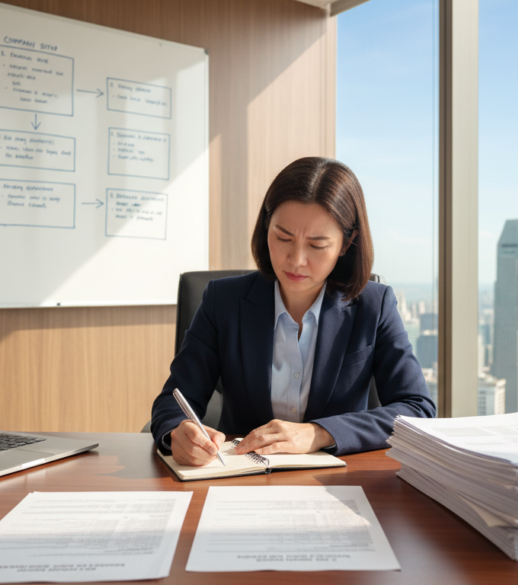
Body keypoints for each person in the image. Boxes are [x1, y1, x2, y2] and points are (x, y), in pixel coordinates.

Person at [150, 156, 436, 466]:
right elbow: (173, 402)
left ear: (346, 243)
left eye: (316, 244)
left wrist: (320, 433)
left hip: (339, 483)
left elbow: (417, 408)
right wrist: (178, 431)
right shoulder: (224, 301)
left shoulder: (374, 305)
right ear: (266, 227)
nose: (296, 259)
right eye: (283, 237)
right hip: (241, 478)